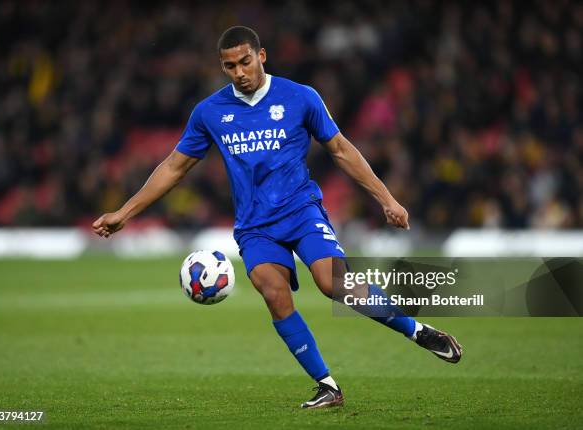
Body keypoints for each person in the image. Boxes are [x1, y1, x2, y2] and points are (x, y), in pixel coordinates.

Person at [92, 26, 462, 409]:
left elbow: (340, 149)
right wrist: (124, 213)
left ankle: (417, 331)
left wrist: (386, 199)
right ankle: (327, 385)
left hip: (301, 211)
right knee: (272, 290)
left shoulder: (301, 97)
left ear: (262, 56)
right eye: (229, 65)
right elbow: (173, 167)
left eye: (245, 61)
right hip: (255, 227)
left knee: (332, 282)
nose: (239, 72)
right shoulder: (210, 112)